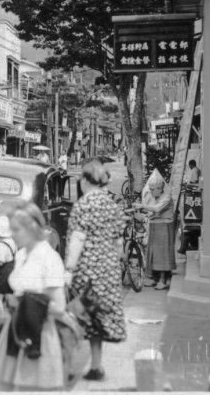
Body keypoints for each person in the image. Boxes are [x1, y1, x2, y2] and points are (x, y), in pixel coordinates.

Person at [0, 201, 67, 391]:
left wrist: (27, 302)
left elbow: (59, 307)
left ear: (32, 228)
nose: (12, 234)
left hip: (38, 335)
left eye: (16, 229)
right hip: (15, 330)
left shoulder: (48, 257)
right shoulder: (22, 254)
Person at [64, 158, 127, 382]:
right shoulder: (112, 205)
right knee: (97, 320)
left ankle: (70, 368)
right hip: (108, 271)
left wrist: (69, 270)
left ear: (85, 181)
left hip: (86, 271)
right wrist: (111, 263)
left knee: (75, 317)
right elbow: (119, 244)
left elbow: (77, 239)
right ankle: (96, 366)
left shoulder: (83, 205)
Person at [135, 170, 175, 290]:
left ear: (160, 188)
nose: (151, 192)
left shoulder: (166, 197)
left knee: (162, 254)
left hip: (164, 226)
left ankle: (162, 279)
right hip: (155, 226)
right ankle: (155, 277)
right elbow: (151, 210)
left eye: (153, 189)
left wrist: (142, 206)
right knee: (152, 253)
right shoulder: (156, 197)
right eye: (150, 189)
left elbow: (157, 209)